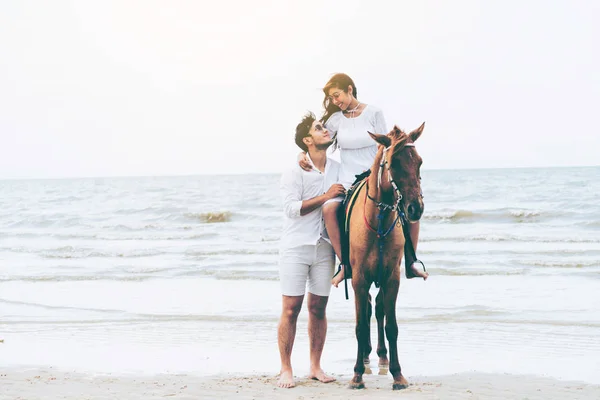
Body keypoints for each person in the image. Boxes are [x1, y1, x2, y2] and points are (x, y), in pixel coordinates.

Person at [298, 73, 428, 286]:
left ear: (350, 89)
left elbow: (384, 145)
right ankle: (345, 265)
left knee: (411, 204)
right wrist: (301, 154)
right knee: (329, 209)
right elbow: (317, 142)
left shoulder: (374, 113)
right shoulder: (334, 120)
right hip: (348, 181)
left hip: (374, 177)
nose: (335, 101)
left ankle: (411, 261)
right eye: (331, 98)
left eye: (337, 95)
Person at [277, 112, 344, 388]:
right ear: (307, 140)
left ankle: (315, 366)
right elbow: (291, 209)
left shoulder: (339, 168)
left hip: (325, 247)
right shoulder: (294, 170)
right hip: (295, 247)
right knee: (291, 309)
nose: (325, 130)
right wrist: (325, 197)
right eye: (319, 128)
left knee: (318, 308)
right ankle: (285, 369)